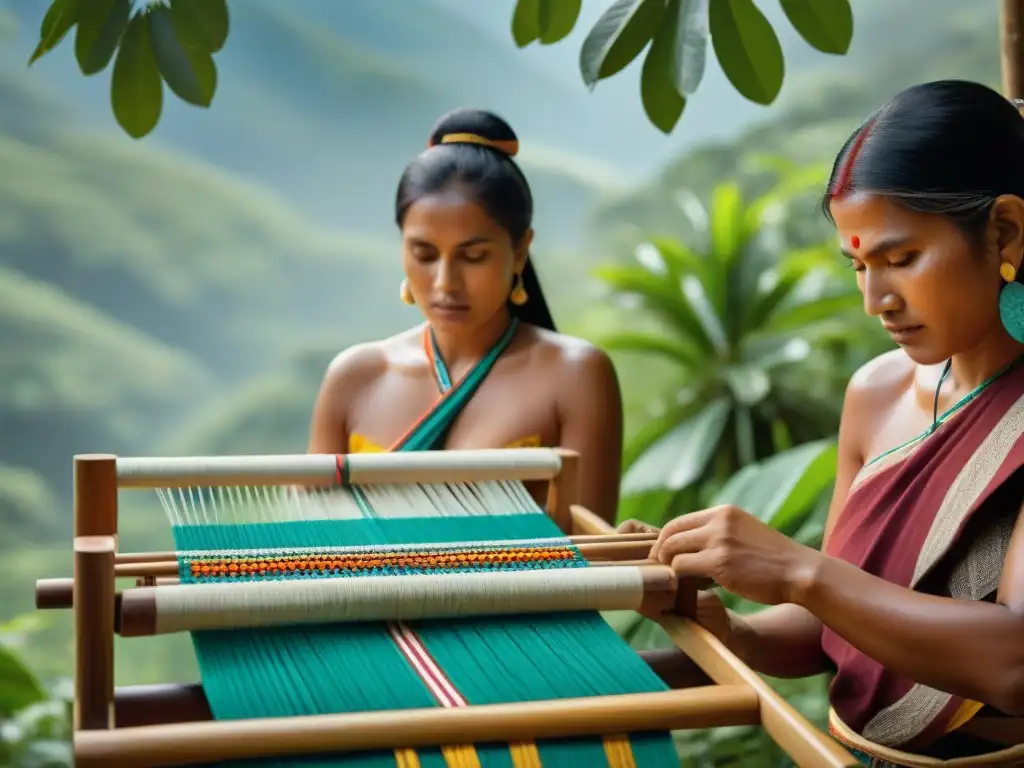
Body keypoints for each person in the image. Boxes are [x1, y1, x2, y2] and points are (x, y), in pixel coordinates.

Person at [630, 80, 1024, 766]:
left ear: (1005, 230)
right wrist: (743, 636)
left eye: (902, 260)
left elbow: (1014, 662)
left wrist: (796, 570)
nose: (876, 300)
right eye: (860, 266)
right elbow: (834, 623)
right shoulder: (874, 393)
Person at [306, 108, 623, 523]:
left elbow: (591, 561)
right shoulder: (353, 378)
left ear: (520, 251)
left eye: (473, 257)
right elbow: (312, 550)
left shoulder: (575, 376)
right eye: (423, 254)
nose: (444, 283)